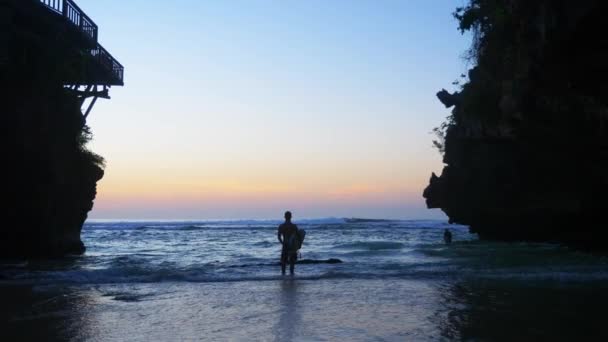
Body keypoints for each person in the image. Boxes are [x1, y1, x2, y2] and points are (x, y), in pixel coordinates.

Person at [278, 211, 299, 275]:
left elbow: (279, 237)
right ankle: (292, 278)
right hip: (292, 246)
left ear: (284, 217)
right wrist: (298, 246)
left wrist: (282, 243)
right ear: (291, 217)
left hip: (285, 245)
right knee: (292, 263)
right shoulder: (294, 226)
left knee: (283, 263)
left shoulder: (281, 226)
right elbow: (298, 237)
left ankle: (283, 277)